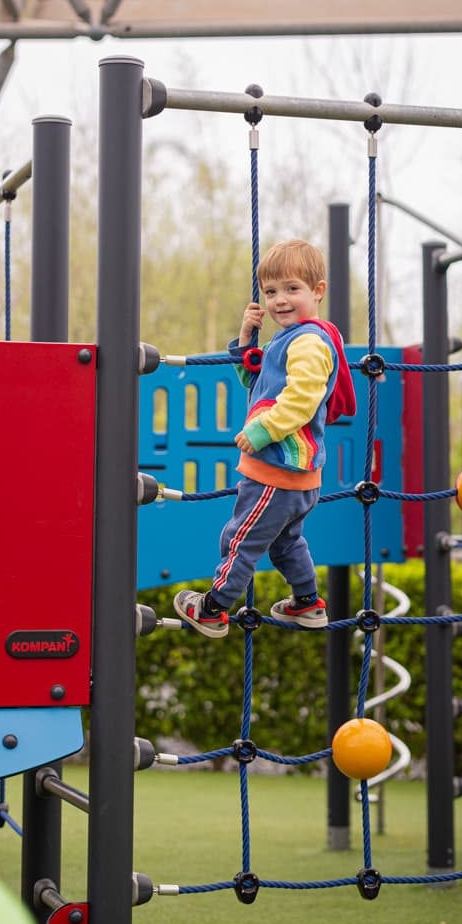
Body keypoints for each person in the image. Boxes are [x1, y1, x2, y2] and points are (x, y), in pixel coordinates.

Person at [173, 238, 356, 638]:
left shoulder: (308, 341)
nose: (280, 301)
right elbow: (259, 387)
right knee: (286, 544)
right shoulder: (288, 340)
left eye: (292, 289)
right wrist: (245, 342)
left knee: (240, 538)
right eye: (271, 292)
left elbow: (301, 400)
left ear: (318, 291)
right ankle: (307, 604)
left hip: (277, 473)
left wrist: (261, 431)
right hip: (296, 477)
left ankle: (213, 609)